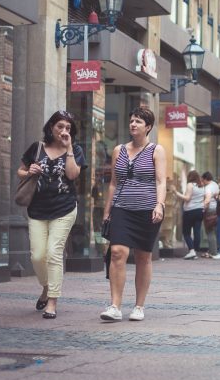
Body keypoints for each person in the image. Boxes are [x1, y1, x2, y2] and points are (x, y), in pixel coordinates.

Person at [17, 110, 86, 319]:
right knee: (37, 255)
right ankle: (46, 287)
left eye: (68, 128)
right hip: (37, 209)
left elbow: (73, 175)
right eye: (60, 127)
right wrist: (29, 172)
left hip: (64, 208)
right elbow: (20, 170)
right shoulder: (37, 148)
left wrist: (69, 148)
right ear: (51, 127)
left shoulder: (75, 149)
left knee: (54, 252)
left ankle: (52, 302)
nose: (64, 131)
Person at [100, 107, 166, 322]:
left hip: (147, 211)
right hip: (122, 208)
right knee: (118, 252)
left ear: (148, 127)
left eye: (138, 121)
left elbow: (160, 181)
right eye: (131, 120)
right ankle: (115, 306)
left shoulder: (156, 150)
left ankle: (139, 306)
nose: (133, 124)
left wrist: (160, 205)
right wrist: (107, 211)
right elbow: (113, 183)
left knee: (143, 256)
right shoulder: (118, 150)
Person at [173, 170, 206, 260]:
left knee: (186, 232)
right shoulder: (202, 186)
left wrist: (176, 192)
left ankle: (192, 251)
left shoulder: (190, 185)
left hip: (190, 211)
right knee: (197, 232)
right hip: (200, 211)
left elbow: (187, 198)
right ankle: (195, 251)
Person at [201, 171, 219, 257]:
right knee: (214, 232)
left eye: (203, 180)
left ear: (205, 179)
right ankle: (214, 251)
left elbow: (207, 200)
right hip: (216, 210)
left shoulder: (208, 187)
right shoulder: (215, 184)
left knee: (209, 232)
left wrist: (203, 208)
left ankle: (213, 252)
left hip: (209, 211)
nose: (202, 182)